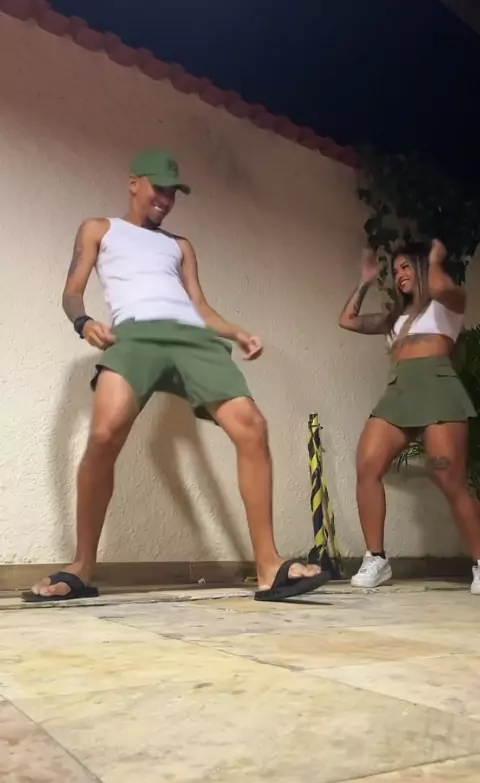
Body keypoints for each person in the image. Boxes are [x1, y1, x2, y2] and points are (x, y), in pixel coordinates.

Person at [24, 149, 330, 604]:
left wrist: (236, 332)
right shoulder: (99, 229)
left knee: (252, 427)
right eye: (159, 188)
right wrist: (83, 322)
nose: (165, 200)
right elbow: (72, 292)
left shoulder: (179, 245)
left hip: (190, 337)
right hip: (135, 335)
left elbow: (200, 307)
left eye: (172, 193)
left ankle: (269, 565)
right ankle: (82, 565)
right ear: (134, 183)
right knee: (104, 435)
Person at [339, 239, 480, 594]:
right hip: (400, 390)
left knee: (449, 479)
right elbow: (348, 320)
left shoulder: (448, 304)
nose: (399, 274)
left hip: (438, 387)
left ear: (422, 268)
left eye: (406, 267)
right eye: (395, 270)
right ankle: (376, 559)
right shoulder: (394, 319)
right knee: (367, 466)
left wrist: (434, 261)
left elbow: (441, 287)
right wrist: (365, 281)